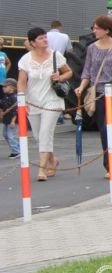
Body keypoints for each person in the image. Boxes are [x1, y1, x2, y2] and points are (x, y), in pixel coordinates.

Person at [74, 15, 112, 178]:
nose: (94, 30)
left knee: (110, 125)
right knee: (103, 129)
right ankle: (110, 165)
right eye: (93, 27)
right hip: (98, 92)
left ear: (107, 30)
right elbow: (87, 71)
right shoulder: (92, 48)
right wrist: (81, 86)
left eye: (97, 28)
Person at [17, 27, 73, 181]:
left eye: (45, 37)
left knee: (45, 132)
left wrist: (60, 77)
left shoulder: (56, 56)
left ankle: (42, 169)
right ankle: (52, 160)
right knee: (38, 136)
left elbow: (69, 72)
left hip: (52, 100)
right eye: (41, 38)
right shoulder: (25, 59)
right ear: (32, 42)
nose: (45, 40)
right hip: (33, 101)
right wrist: (21, 99)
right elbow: (21, 82)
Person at [0, 78, 20, 159]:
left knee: (11, 136)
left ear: (12, 88)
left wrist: (13, 121)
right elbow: (2, 106)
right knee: (5, 134)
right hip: (6, 119)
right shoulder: (6, 96)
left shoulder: (14, 97)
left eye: (5, 86)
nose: (3, 88)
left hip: (12, 120)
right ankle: (16, 148)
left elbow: (16, 110)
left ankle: (16, 151)